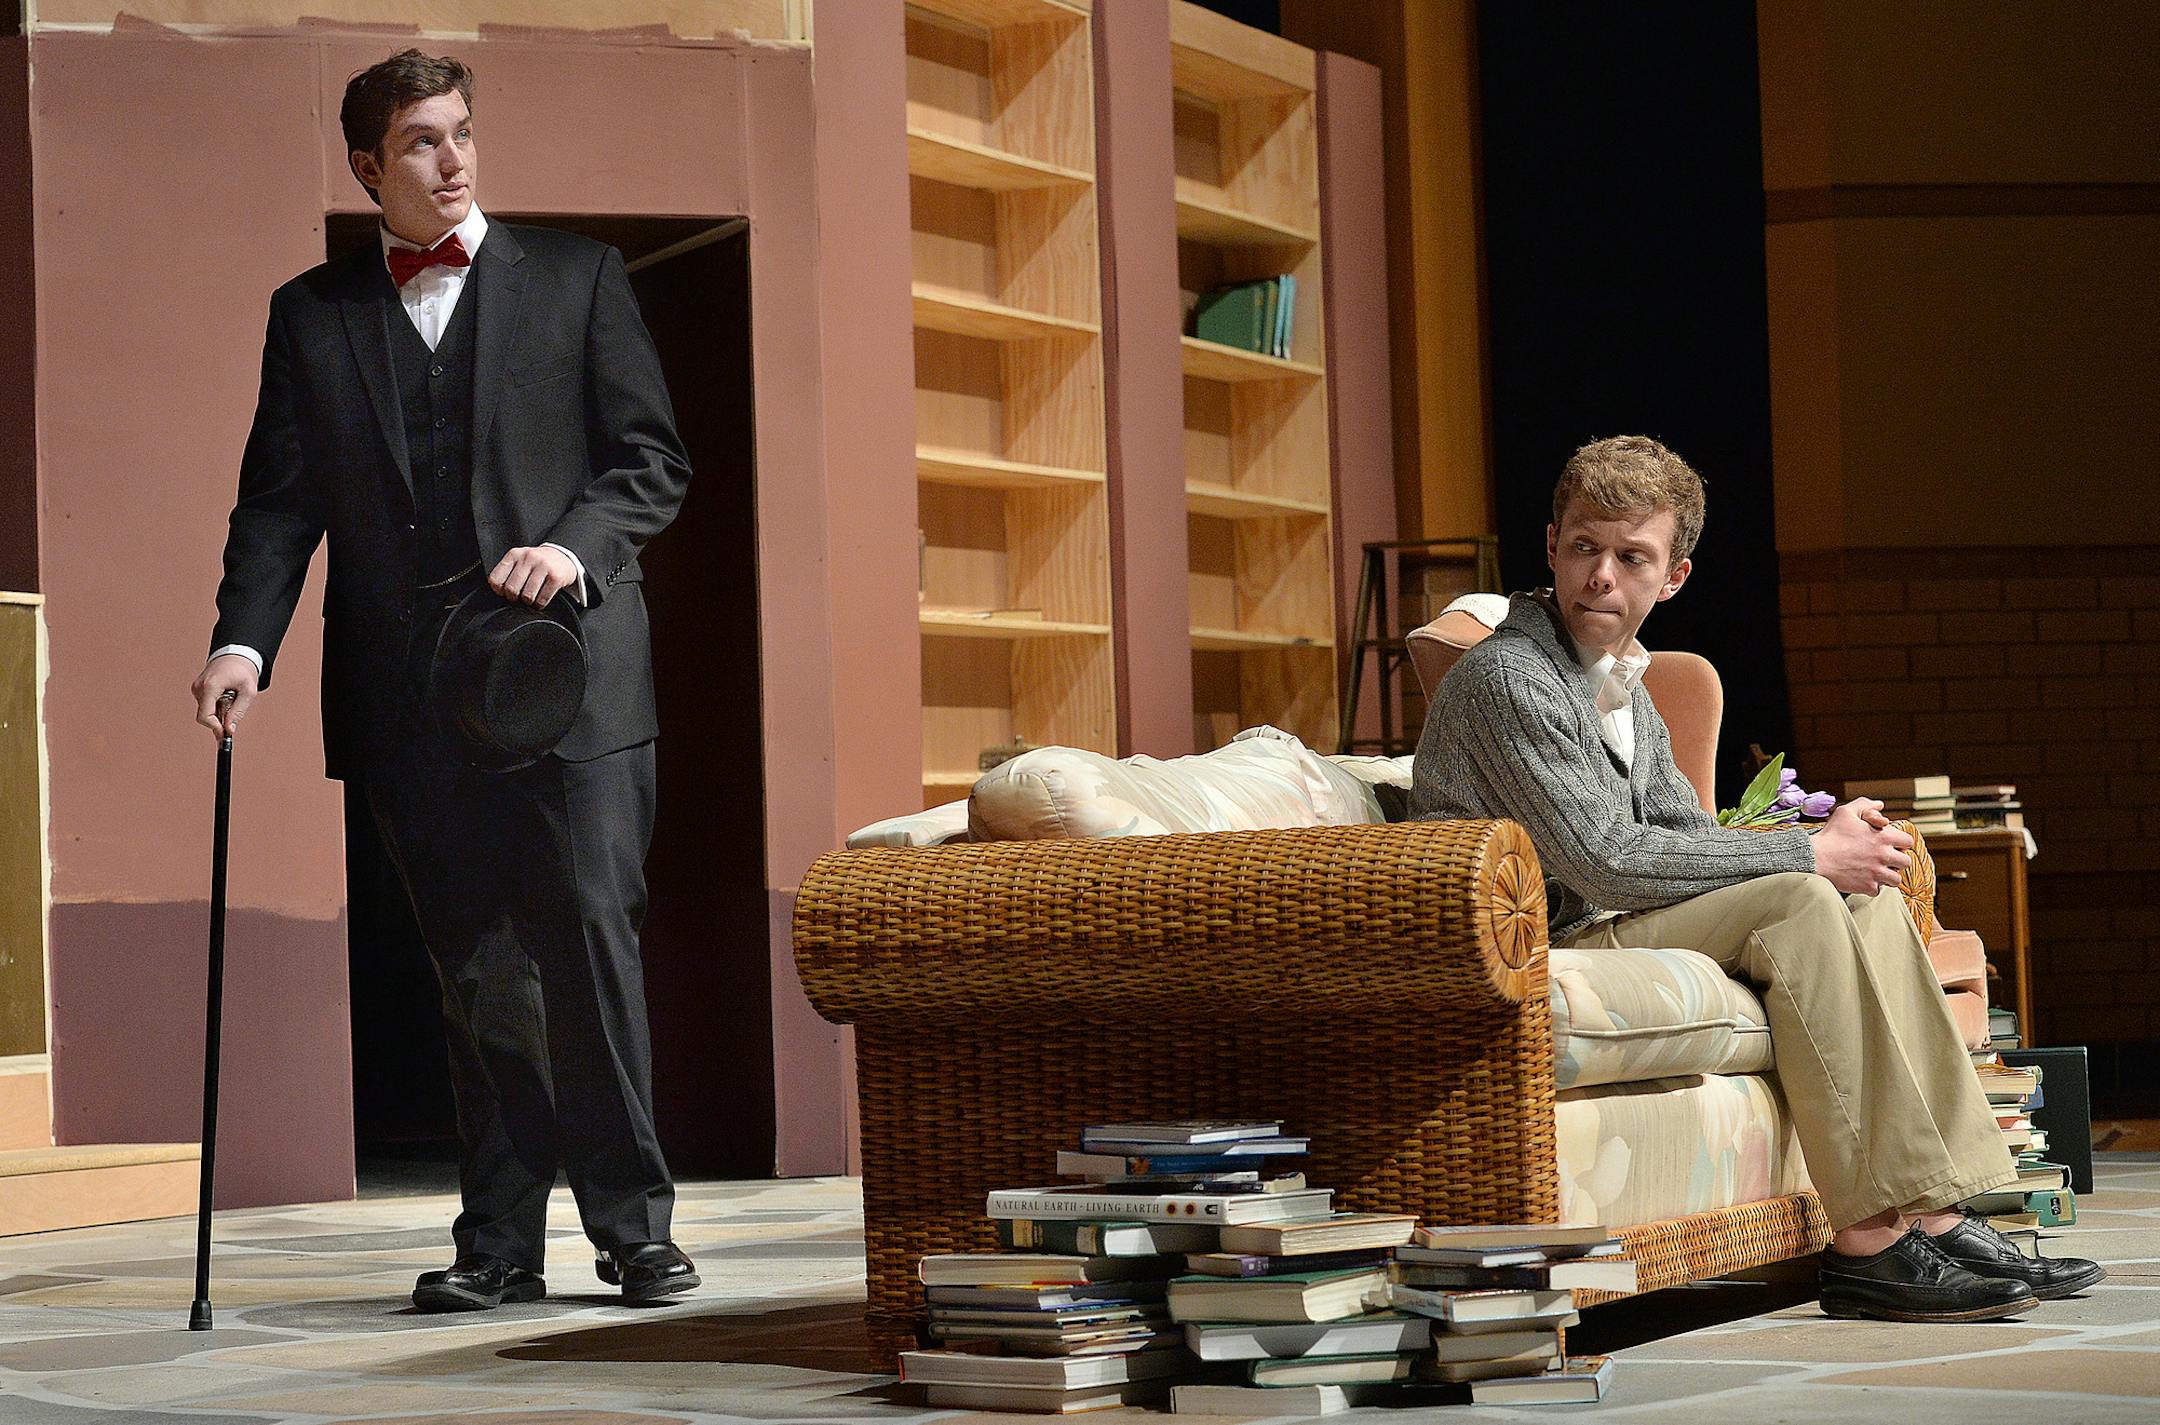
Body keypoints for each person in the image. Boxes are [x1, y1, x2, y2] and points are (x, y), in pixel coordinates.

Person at [190, 50, 697, 1312]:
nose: (453, 159)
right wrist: (243, 643)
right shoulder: (311, 315)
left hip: (570, 682)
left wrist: (570, 548)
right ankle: (500, 1248)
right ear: (368, 168)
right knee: (478, 978)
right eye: (421, 142)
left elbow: (650, 462)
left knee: (586, 950)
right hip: (414, 698)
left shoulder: (578, 279)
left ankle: (635, 1231)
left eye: (462, 133)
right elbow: (278, 504)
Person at [1411, 435, 2102, 1323]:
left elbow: (1683, 834)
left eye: (1632, 557)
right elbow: (1604, 856)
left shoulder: (1623, 685)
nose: (1601, 577)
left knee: (1865, 896)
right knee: (1804, 894)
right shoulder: (1513, 677)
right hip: (1548, 929)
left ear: (1675, 576)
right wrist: (1806, 851)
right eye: (1584, 547)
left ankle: (1938, 1208)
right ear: (1550, 546)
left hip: (1615, 911)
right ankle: (1868, 1244)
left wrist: (1834, 853)